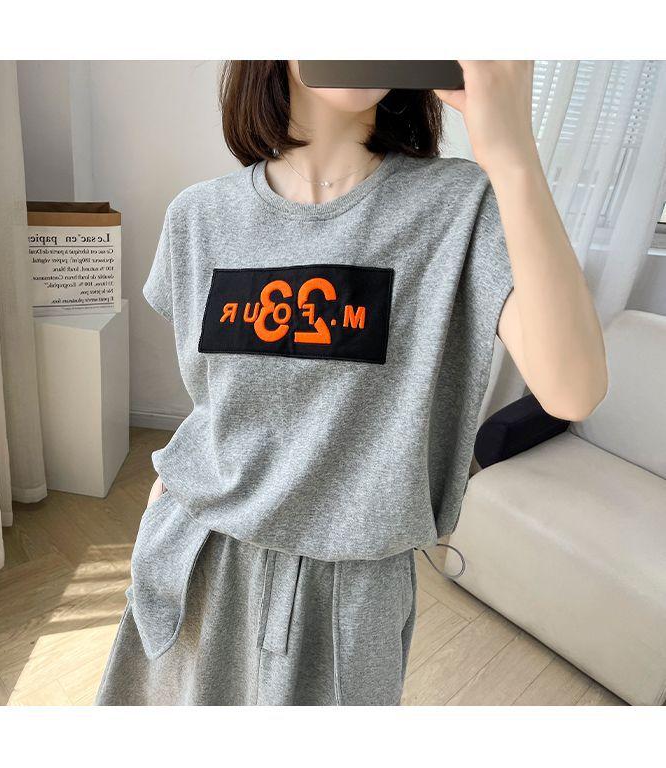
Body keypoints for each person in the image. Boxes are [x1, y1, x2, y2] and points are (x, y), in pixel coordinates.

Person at [96, 60, 607, 706]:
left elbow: (572, 391)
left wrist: (512, 155)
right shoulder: (198, 216)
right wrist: (168, 497)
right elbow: (217, 400)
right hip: (194, 551)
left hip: (348, 594)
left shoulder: (456, 205)